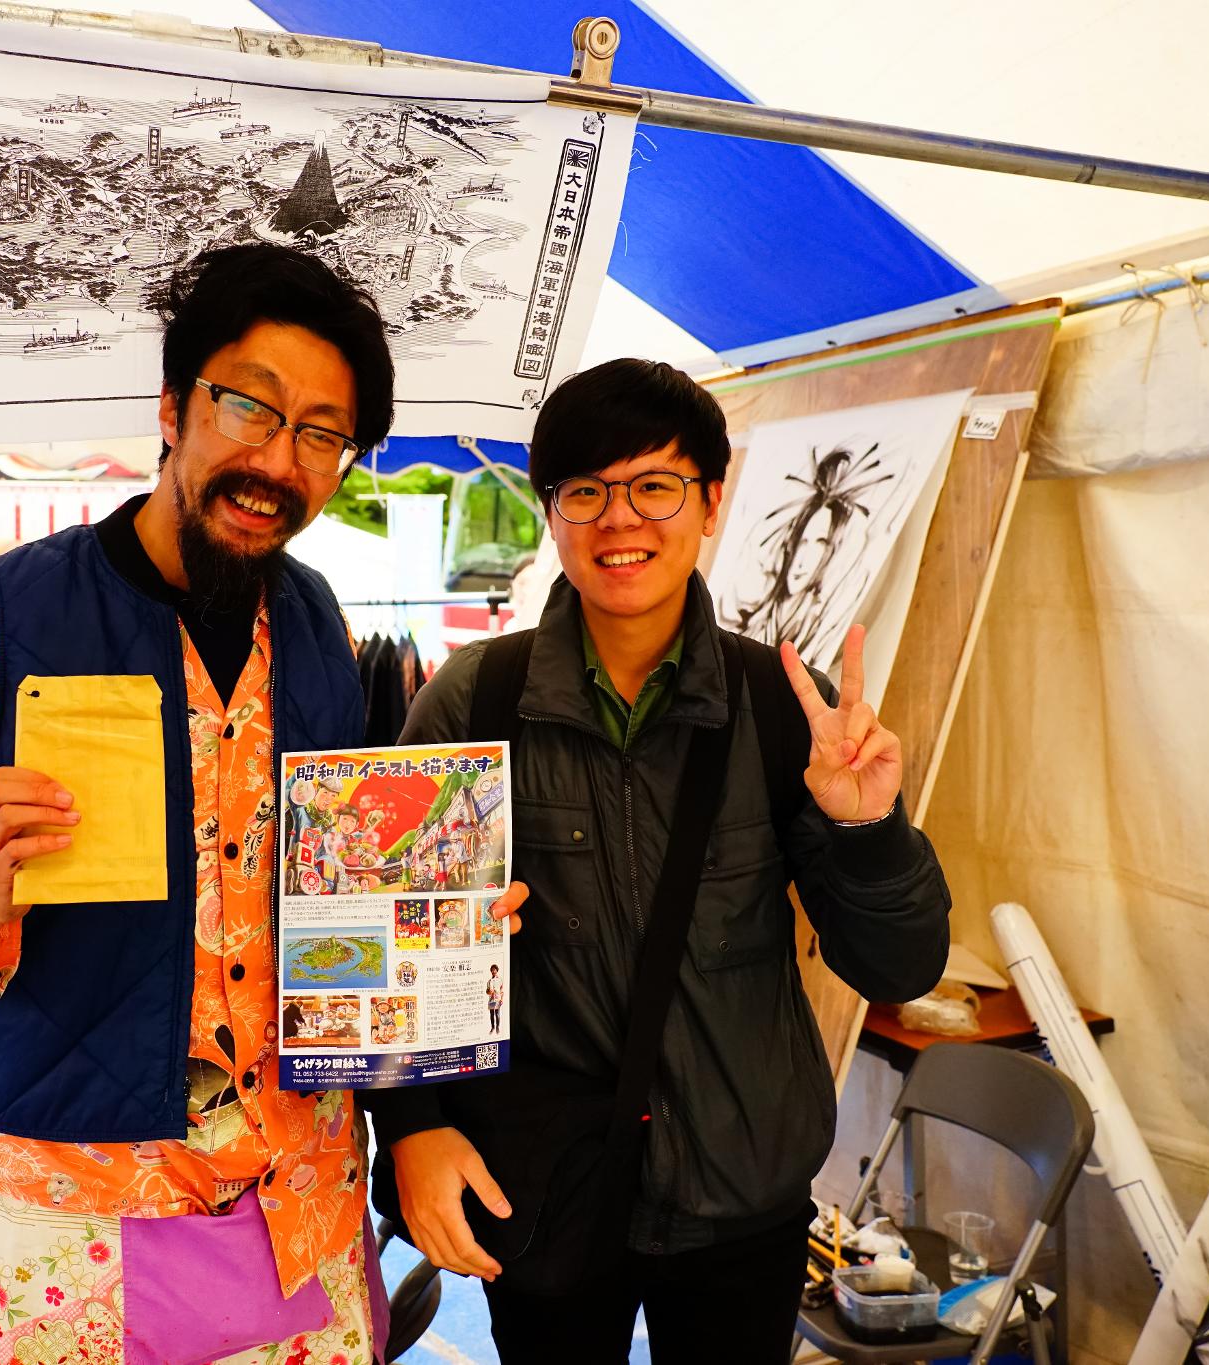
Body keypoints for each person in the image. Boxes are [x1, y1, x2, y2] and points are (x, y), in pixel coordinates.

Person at [0, 244, 524, 1365]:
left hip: (303, 1201)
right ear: (174, 407)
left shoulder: (319, 625)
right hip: (76, 1213)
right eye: (250, 407)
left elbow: (344, 883)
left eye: (321, 434)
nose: (277, 460)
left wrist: (436, 917)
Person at [366, 360, 951, 1363]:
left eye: (654, 486)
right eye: (584, 491)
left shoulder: (782, 706)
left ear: (711, 502)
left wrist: (866, 831)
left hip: (743, 1191)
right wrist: (412, 1129)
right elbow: (387, 947)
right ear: (550, 513)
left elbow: (900, 969)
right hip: (544, 1184)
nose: (618, 520)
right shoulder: (473, 700)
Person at [485, 963, 502, 1035]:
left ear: (497, 970)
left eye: (494, 970)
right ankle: (492, 1027)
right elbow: (487, 992)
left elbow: (502, 991)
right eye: (492, 970)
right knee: (491, 1014)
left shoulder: (500, 980)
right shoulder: (489, 981)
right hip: (491, 999)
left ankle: (497, 1027)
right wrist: (489, 991)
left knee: (497, 1014)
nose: (493, 971)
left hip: (498, 999)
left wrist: (502, 999)